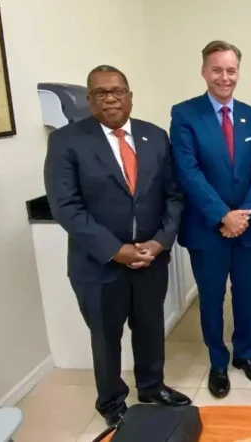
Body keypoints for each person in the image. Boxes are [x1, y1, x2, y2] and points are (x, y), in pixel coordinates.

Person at [44, 65, 191, 427]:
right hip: (99, 265)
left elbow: (173, 196)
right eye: (100, 93)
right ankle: (111, 402)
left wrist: (160, 241)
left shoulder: (155, 137)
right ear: (89, 99)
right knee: (106, 337)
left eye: (117, 91)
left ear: (129, 95)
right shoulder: (66, 141)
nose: (110, 98)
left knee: (150, 327)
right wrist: (115, 250)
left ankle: (152, 387)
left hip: (151, 259)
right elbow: (67, 207)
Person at [170, 41, 251, 399]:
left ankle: (244, 353)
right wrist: (221, 216)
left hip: (247, 226)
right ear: (204, 71)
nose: (224, 77)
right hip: (207, 229)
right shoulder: (184, 115)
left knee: (247, 295)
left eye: (231, 70)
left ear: (238, 73)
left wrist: (245, 214)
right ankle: (218, 360)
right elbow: (188, 171)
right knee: (212, 298)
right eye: (217, 69)